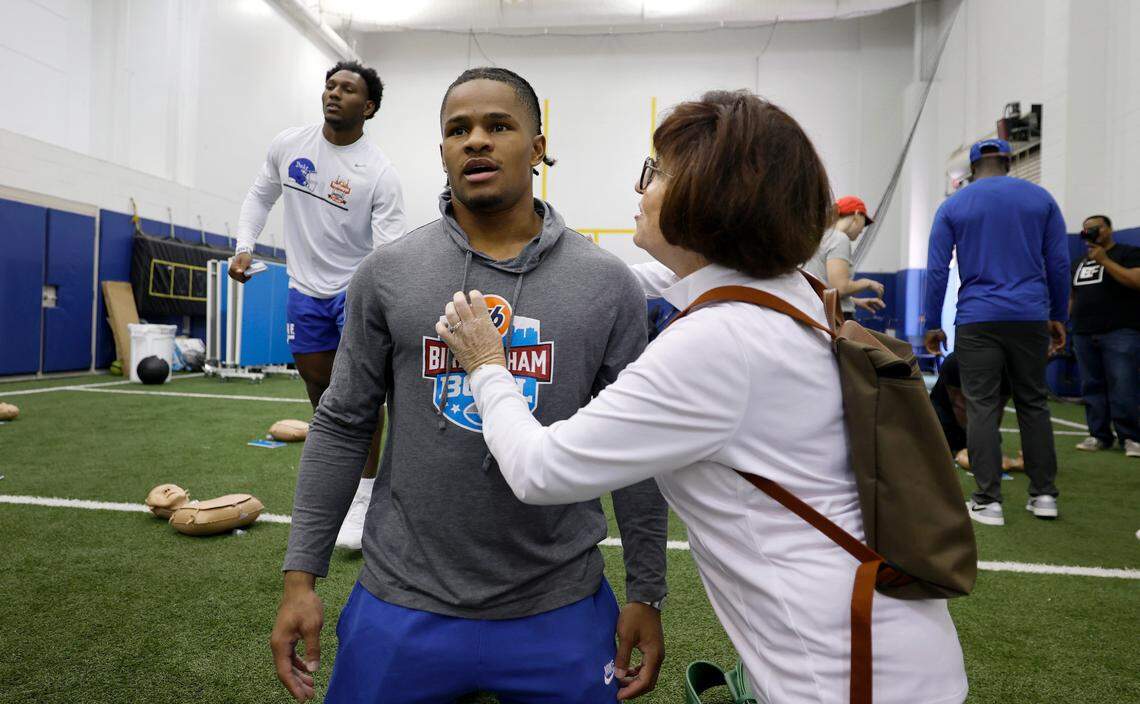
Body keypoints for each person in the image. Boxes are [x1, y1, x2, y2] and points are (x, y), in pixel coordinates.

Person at [437, 90, 968, 704]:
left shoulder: (719, 342)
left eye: (655, 173)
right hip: (884, 642)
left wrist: (485, 364)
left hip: (842, 673)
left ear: (711, 198)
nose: (640, 191)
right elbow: (656, 279)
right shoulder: (788, 289)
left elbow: (539, 470)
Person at [270, 67, 668, 703]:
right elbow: (343, 424)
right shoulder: (388, 273)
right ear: (443, 151)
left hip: (558, 602)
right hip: (402, 599)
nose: (476, 141)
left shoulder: (607, 283)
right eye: (459, 130)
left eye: (498, 126)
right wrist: (301, 577)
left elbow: (637, 448)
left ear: (537, 147)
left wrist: (647, 590)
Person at [230, 60, 407, 550]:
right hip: (303, 289)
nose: (334, 93)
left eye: (348, 89)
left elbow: (389, 251)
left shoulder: (379, 173)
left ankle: (364, 495)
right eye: (331, 85)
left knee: (360, 395)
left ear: (367, 107)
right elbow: (259, 195)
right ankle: (343, 468)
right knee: (319, 387)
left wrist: (378, 304)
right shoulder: (289, 145)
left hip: (355, 290)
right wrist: (245, 244)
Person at [924, 138, 1069, 527]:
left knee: (982, 405)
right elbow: (1058, 262)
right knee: (1033, 404)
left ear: (971, 169)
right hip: (1029, 316)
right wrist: (1057, 315)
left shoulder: (953, 205)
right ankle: (1043, 497)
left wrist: (931, 322)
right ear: (1010, 161)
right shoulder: (1041, 200)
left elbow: (938, 270)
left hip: (977, 318)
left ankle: (988, 502)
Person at [1069, 214, 1140, 458]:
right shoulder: (1079, 261)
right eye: (1085, 230)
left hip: (1120, 331)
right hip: (1083, 332)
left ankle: (1131, 437)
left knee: (1124, 385)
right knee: (1091, 385)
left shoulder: (1128, 253)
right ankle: (1098, 435)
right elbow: (1072, 296)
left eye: (1094, 229)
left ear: (1108, 229)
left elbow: (1136, 281)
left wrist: (1104, 261)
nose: (1089, 234)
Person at [930, 353, 1021, 471]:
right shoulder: (955, 363)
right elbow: (959, 406)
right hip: (946, 408)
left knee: (987, 450)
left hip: (979, 408)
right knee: (953, 446)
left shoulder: (1006, 370)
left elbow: (998, 410)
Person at [802, 195, 885, 320]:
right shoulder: (840, 239)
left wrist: (855, 302)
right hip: (837, 318)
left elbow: (825, 288)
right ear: (857, 216)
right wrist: (866, 283)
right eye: (864, 222)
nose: (862, 230)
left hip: (818, 314)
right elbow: (839, 288)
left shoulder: (821, 237)